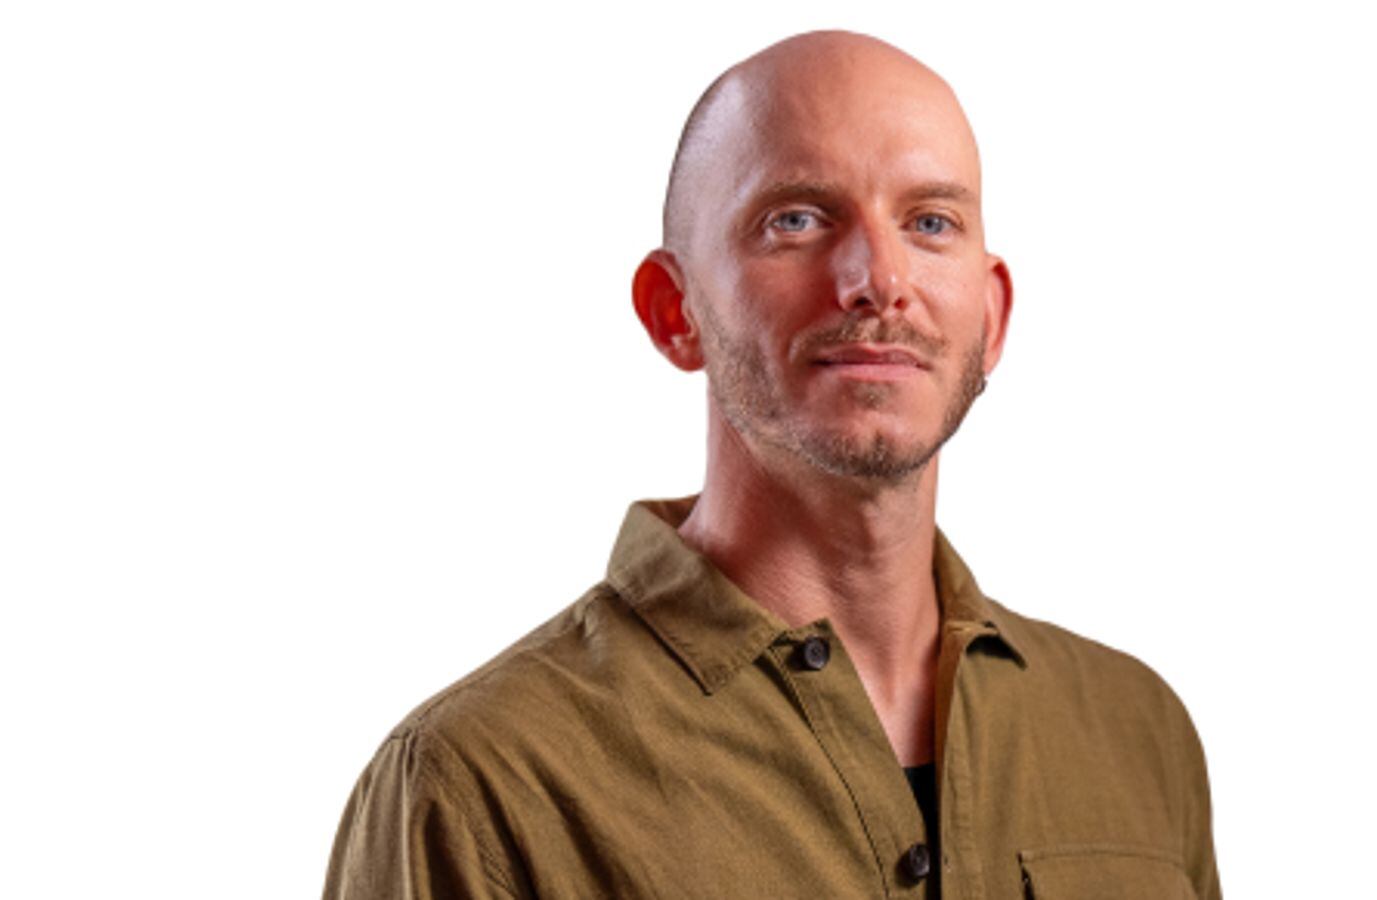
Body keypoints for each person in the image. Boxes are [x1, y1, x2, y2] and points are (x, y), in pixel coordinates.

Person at [323, 30, 1221, 900]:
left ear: (991, 318)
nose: (879, 279)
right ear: (674, 311)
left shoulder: (1138, 733)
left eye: (930, 222)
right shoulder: (481, 781)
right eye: (796, 220)